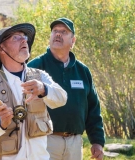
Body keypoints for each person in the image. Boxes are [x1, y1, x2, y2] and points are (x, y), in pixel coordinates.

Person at [0, 23, 67, 160]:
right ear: (1, 48)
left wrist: (44, 89)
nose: (24, 40)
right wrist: (0, 124)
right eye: (16, 38)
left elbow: (62, 98)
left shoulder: (41, 77)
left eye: (24, 37)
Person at [27, 18, 105, 160]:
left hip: (74, 143)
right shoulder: (35, 67)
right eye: (55, 31)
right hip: (44, 141)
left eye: (63, 32)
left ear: (73, 41)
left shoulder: (82, 71)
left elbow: (93, 108)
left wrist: (97, 141)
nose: (58, 34)